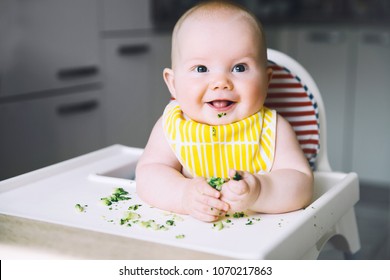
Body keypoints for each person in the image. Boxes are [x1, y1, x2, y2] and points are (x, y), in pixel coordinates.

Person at [136, 0, 313, 222]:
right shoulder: (172, 127)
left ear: (267, 80)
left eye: (239, 68)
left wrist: (260, 191)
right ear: (173, 84)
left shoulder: (273, 129)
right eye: (201, 69)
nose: (220, 82)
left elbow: (302, 184)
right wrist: (183, 195)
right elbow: (148, 175)